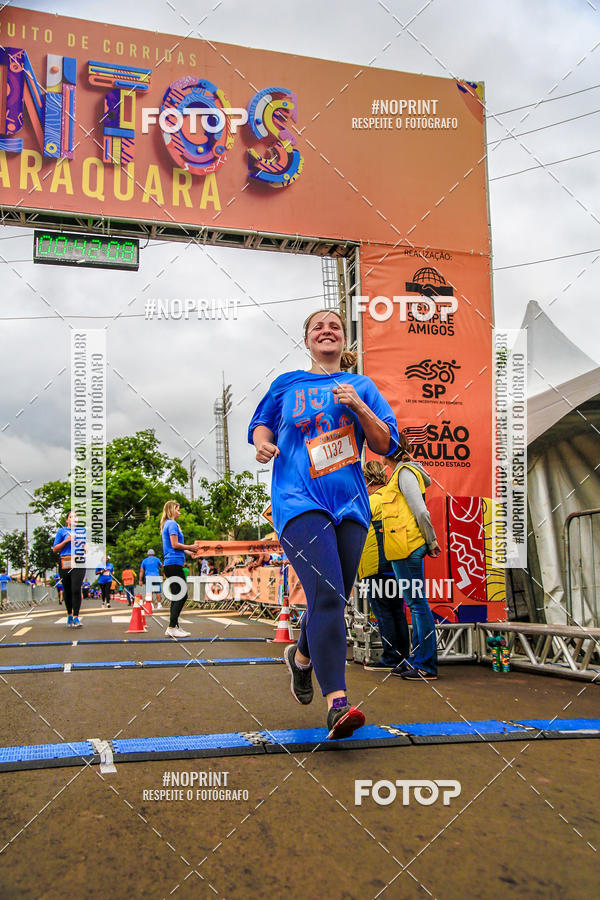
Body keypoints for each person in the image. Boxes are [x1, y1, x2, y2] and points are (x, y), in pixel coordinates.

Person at [249, 308, 398, 740]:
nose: (327, 330)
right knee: (329, 595)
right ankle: (338, 704)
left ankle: (300, 658)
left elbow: (386, 443)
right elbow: (260, 425)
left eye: (335, 326)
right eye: (319, 326)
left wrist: (359, 407)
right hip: (298, 500)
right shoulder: (287, 384)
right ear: (308, 339)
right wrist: (262, 445)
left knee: (330, 599)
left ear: (343, 339)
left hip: (350, 504)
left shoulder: (362, 386)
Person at [381, 434, 441, 680]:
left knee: (417, 605)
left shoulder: (405, 473)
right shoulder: (400, 474)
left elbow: (421, 511)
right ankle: (418, 661)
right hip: (402, 548)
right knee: (415, 605)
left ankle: (425, 664)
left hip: (407, 547)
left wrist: (431, 541)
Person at [358, 461, 409, 671]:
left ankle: (390, 658)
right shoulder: (394, 498)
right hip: (397, 562)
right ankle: (403, 657)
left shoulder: (368, 502)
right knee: (397, 610)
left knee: (383, 612)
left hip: (375, 564)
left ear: (367, 479)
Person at [161, 500, 197, 638]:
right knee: (182, 595)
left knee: (177, 595)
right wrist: (190, 547)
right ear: (171, 510)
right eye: (177, 509)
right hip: (174, 563)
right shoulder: (172, 524)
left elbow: (176, 546)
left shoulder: (167, 524)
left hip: (171, 563)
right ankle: (171, 627)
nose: (179, 512)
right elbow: (175, 545)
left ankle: (174, 626)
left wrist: (189, 552)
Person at [52, 511, 86, 628]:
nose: (74, 518)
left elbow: (85, 545)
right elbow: (55, 549)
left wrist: (86, 547)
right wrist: (66, 540)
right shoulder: (61, 531)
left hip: (78, 561)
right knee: (67, 590)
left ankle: (76, 617)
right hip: (65, 561)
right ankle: (69, 615)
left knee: (76, 589)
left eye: (76, 516)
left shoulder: (82, 531)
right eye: (71, 517)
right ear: (67, 520)